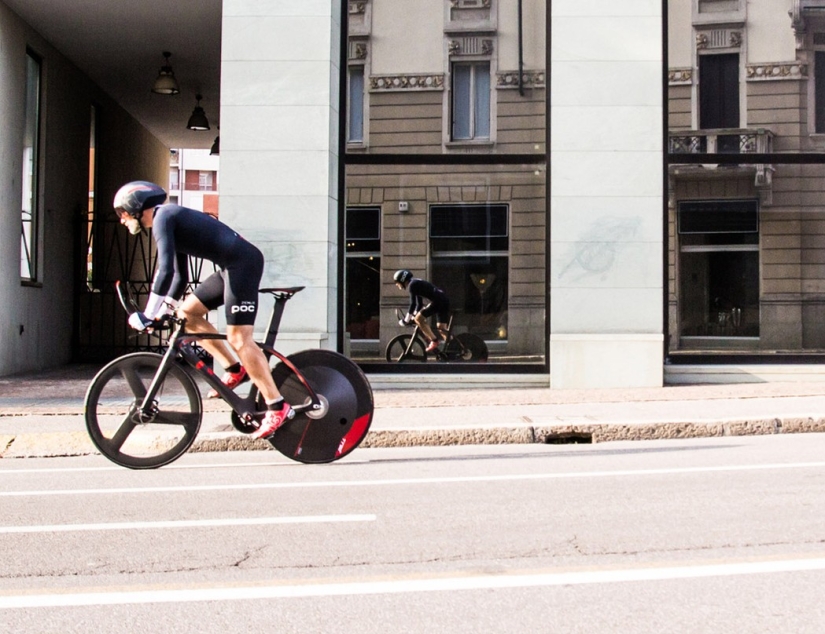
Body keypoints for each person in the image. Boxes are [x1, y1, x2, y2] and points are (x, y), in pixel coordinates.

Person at [112, 181, 292, 440]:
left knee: (240, 338)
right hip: (229, 268)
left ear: (137, 208)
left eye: (123, 214)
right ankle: (233, 369)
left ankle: (277, 406)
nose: (122, 220)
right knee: (187, 315)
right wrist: (166, 310)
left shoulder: (164, 217)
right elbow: (179, 277)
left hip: (243, 264)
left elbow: (164, 271)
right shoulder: (168, 219)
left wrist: (148, 314)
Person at [393, 269, 450, 353]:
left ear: (402, 280)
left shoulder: (412, 285)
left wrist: (406, 320)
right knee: (442, 329)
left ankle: (434, 341)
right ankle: (453, 347)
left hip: (438, 301)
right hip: (443, 300)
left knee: (419, 319)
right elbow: (419, 304)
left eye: (397, 283)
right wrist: (413, 316)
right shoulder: (415, 282)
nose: (397, 285)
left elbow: (413, 304)